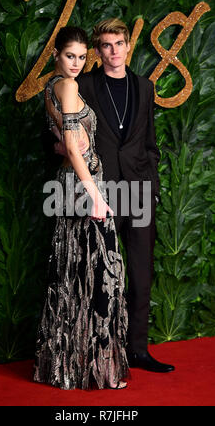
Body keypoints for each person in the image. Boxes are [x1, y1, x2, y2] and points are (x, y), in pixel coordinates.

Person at [55, 19, 175, 373]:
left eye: (119, 43)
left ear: (127, 46)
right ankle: (102, 354)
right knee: (98, 277)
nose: (114, 51)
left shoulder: (144, 86)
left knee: (139, 274)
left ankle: (138, 350)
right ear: (97, 51)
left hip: (138, 190)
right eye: (106, 45)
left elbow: (150, 143)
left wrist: (151, 186)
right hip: (99, 192)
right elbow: (59, 132)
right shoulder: (83, 85)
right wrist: (63, 146)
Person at [33, 26, 130, 390]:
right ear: (56, 54)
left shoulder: (50, 88)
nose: (76, 63)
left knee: (73, 275)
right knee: (101, 279)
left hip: (68, 184)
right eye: (69, 55)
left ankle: (67, 369)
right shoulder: (69, 86)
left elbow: (63, 144)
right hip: (83, 187)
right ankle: (97, 372)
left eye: (81, 57)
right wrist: (95, 195)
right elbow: (75, 148)